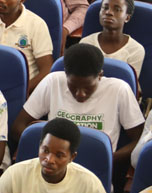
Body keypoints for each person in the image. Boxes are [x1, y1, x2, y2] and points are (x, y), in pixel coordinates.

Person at [16, 42, 144, 163]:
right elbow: (18, 126)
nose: (80, 94)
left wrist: (109, 159)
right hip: (52, 162)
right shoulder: (52, 82)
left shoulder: (119, 89)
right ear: (66, 74)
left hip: (94, 166)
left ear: (100, 75)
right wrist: (46, 152)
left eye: (87, 88)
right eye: (73, 87)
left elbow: (139, 139)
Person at [79, 0, 145, 76]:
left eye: (117, 9)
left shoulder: (135, 50)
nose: (109, 12)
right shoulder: (86, 43)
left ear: (127, 18)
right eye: (105, 8)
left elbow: (129, 82)